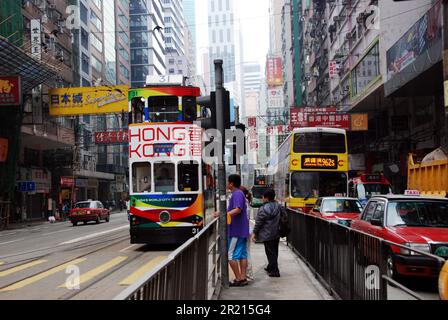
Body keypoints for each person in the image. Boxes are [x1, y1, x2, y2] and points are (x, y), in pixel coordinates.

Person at [214, 174, 250, 287]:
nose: (226, 184)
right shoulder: (238, 193)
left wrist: (223, 215)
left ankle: (239, 278)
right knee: (243, 254)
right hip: (241, 230)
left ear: (231, 184)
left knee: (231, 255)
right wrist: (221, 213)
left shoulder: (237, 194)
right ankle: (243, 278)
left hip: (236, 231)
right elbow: (233, 209)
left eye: (227, 182)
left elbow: (237, 210)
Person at [252, 189, 282, 278]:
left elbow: (259, 223)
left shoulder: (264, 208)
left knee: (270, 252)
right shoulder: (278, 206)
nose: (262, 199)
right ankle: (271, 266)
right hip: (277, 232)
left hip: (267, 233)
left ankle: (275, 271)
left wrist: (255, 233)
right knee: (274, 251)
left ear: (266, 198)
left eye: (263, 197)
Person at [240, 186, 254, 282]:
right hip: (247, 229)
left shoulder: (243, 202)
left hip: (244, 230)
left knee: (245, 252)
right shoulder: (246, 202)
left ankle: (248, 274)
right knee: (245, 252)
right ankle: (247, 274)